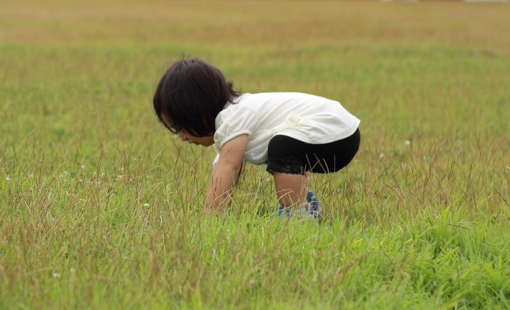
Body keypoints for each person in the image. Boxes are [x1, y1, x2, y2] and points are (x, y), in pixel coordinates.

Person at [153, 57, 360, 218]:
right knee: (281, 154)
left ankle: (297, 213)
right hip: (338, 133)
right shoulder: (231, 124)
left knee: (281, 147)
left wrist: (210, 215)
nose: (181, 137)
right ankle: (306, 204)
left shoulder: (234, 115)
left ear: (200, 112)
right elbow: (225, 173)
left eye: (182, 127)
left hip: (335, 131)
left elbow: (229, 167)